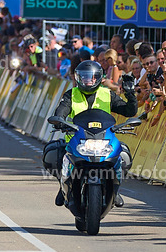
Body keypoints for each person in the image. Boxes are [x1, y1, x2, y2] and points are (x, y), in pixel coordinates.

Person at [44, 61, 137, 209]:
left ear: (99, 78)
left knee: (123, 153)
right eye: (85, 77)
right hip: (76, 141)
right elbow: (60, 112)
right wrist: (59, 121)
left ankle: (115, 189)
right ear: (78, 79)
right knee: (54, 152)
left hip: (103, 140)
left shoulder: (107, 94)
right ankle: (62, 186)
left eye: (92, 77)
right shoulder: (71, 95)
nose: (89, 81)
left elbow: (129, 111)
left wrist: (130, 94)